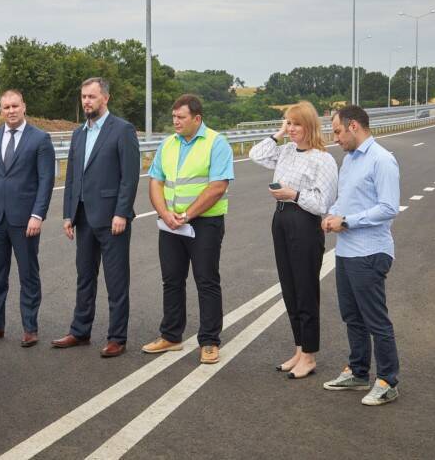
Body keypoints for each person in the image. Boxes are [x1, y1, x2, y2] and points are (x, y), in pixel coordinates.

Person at [248, 101, 338, 379]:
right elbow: (255, 154)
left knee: (305, 289)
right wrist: (277, 134)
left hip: (304, 222)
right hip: (282, 220)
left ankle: (309, 355)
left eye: (296, 124)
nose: (292, 129)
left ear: (309, 126)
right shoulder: (286, 151)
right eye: (288, 123)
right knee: (289, 288)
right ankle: (299, 348)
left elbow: (324, 201)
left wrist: (294, 194)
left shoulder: (322, 159)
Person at [142, 95, 234, 365]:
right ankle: (171, 335)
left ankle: (209, 341)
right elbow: (155, 181)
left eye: (181, 118)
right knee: (171, 280)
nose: (175, 122)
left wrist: (187, 215)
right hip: (171, 224)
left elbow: (218, 186)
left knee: (206, 280)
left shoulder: (216, 143)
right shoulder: (168, 143)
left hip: (204, 223)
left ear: (197, 118)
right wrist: (165, 214)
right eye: (173, 117)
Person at [52, 77, 140, 358]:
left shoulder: (123, 130)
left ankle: (117, 337)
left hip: (112, 218)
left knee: (116, 280)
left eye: (91, 96)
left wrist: (122, 212)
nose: (86, 101)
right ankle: (80, 331)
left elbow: (130, 176)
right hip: (83, 217)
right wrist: (67, 214)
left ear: (105, 98)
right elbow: (72, 176)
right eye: (83, 97)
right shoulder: (78, 134)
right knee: (84, 277)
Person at [321, 105, 401, 406]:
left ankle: (388, 381)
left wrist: (348, 221)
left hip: (370, 252)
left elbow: (389, 207)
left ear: (354, 126)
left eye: (338, 131)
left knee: (375, 320)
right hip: (346, 251)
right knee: (352, 316)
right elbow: (346, 201)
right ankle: (358, 372)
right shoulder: (350, 160)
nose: (335, 138)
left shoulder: (382, 160)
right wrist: (331, 217)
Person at [0, 90, 56, 348]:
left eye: (15, 106)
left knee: (28, 274)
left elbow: (46, 180)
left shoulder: (40, 139)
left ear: (24, 107)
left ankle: (30, 328)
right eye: (6, 107)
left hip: (25, 219)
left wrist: (37, 214)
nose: (11, 111)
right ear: (0, 110)